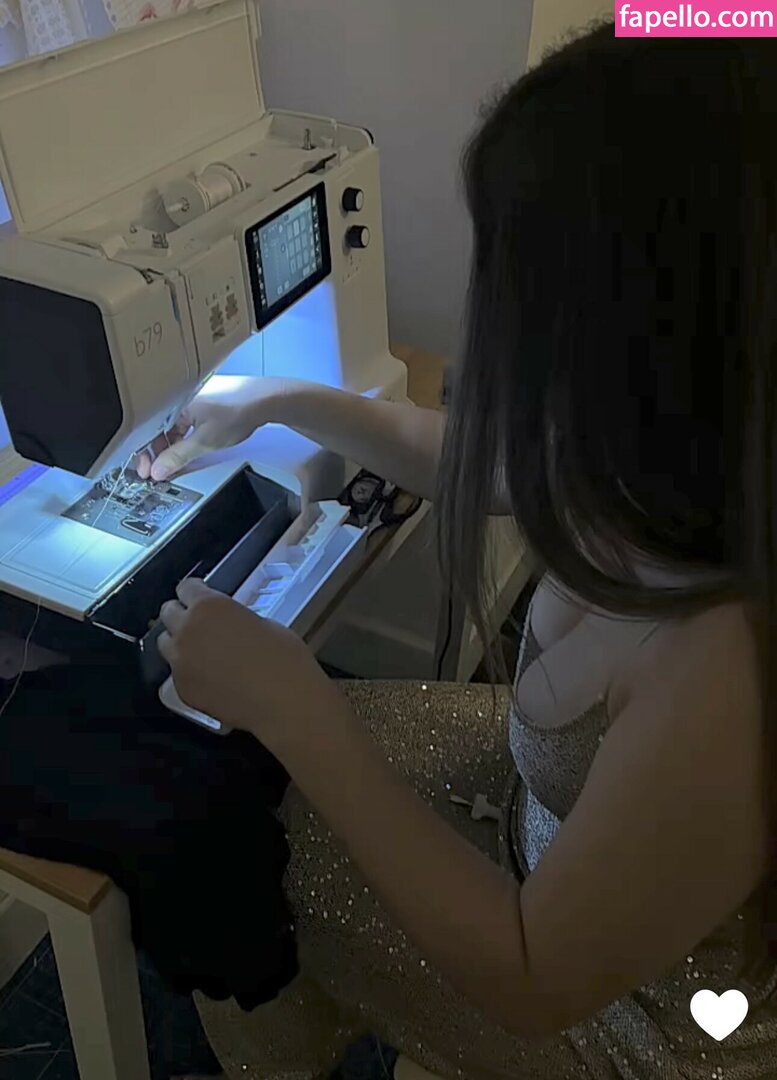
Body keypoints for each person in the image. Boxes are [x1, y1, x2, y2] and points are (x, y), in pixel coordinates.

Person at [143, 21, 777, 1080]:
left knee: (244, 856)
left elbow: (534, 980)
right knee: (258, 800)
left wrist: (298, 707)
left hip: (631, 1029)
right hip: (556, 824)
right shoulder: (669, 466)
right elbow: (478, 464)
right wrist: (278, 399)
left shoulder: (728, 673)